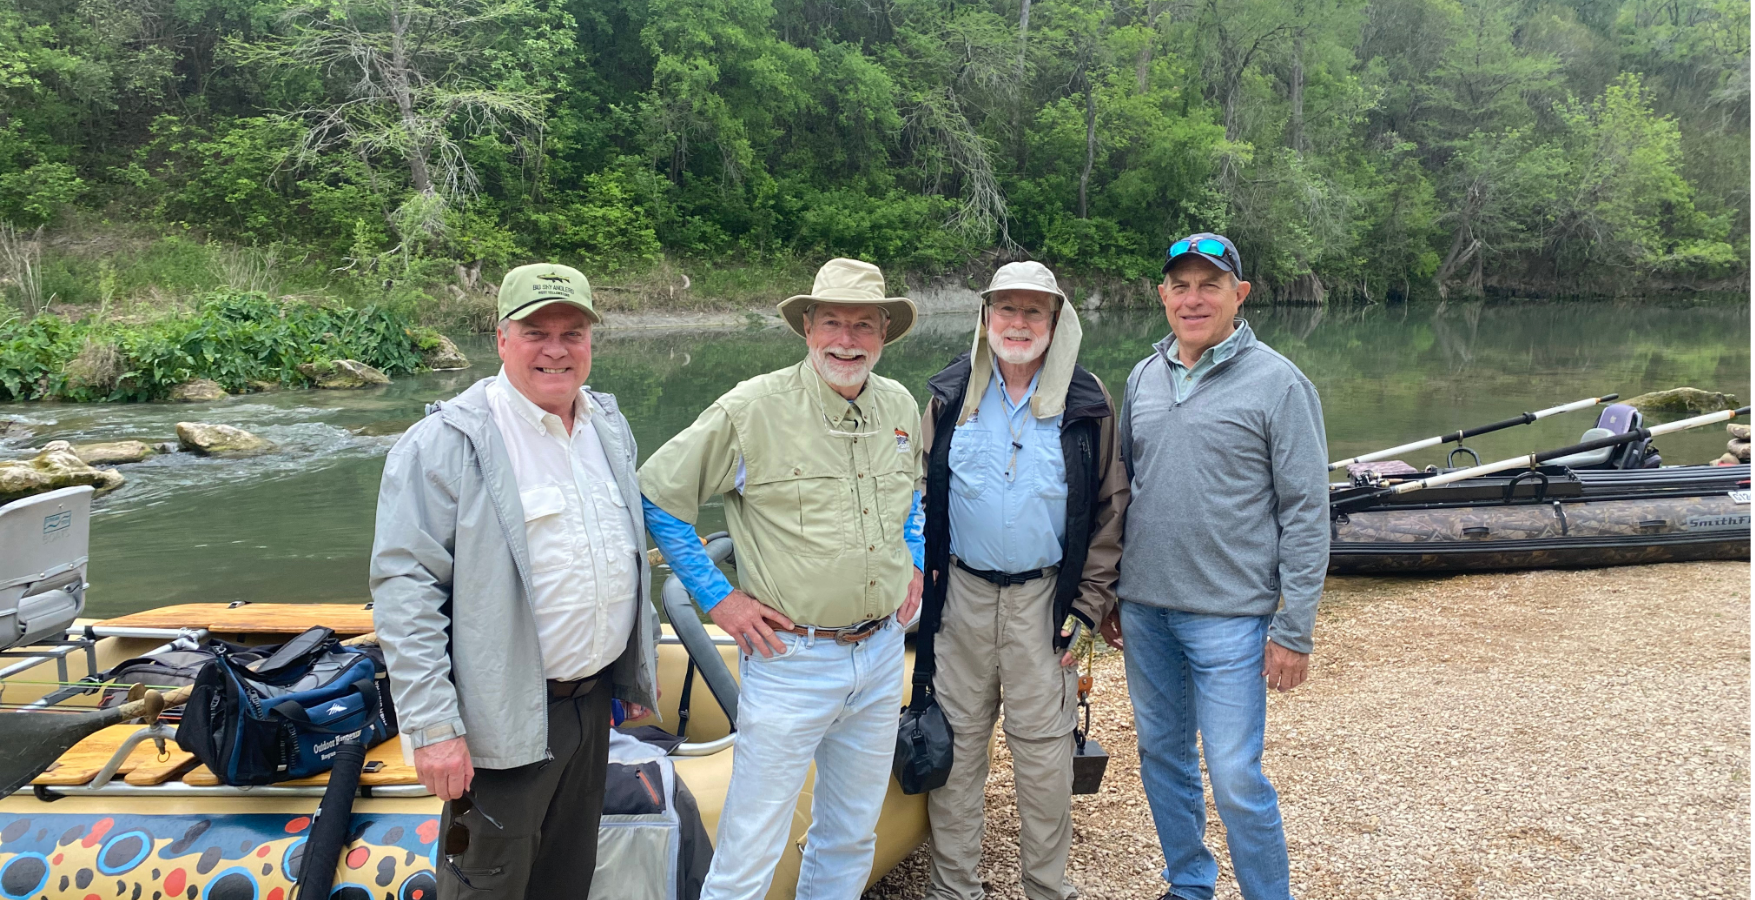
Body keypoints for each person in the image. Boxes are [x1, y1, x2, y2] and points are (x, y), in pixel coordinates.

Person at [370, 262, 659, 900]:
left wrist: (632, 671)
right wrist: (434, 729)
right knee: (485, 887)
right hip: (497, 722)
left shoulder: (608, 425)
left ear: (590, 342)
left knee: (565, 880)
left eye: (573, 332)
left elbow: (620, 555)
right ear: (502, 339)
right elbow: (404, 590)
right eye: (536, 331)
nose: (556, 349)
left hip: (589, 709)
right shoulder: (442, 444)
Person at [639, 257, 926, 900]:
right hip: (789, 657)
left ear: (884, 333)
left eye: (863, 324)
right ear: (807, 328)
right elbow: (658, 498)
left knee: (850, 834)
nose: (846, 339)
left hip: (880, 655)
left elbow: (911, 495)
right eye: (832, 322)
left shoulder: (901, 405)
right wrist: (719, 597)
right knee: (751, 847)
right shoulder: (751, 409)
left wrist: (915, 555)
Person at [1106, 233, 1329, 900]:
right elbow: (1124, 491)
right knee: (1162, 758)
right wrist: (1109, 591)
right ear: (1161, 295)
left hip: (1231, 618)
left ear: (1239, 294)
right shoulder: (1143, 377)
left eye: (1209, 284)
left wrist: (1294, 627)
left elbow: (1306, 511)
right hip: (1144, 610)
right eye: (1180, 284)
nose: (1193, 298)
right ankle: (1188, 884)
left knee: (1234, 774)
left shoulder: (1278, 382)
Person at [917, 261, 1129, 900]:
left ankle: (1046, 888)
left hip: (1048, 601)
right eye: (1006, 308)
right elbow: (916, 492)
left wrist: (1089, 606)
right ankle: (955, 889)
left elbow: (1110, 511)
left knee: (1043, 761)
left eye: (1034, 311)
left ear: (1056, 321)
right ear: (985, 316)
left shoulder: (1089, 402)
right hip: (960, 599)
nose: (1018, 322)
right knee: (954, 755)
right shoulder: (949, 396)